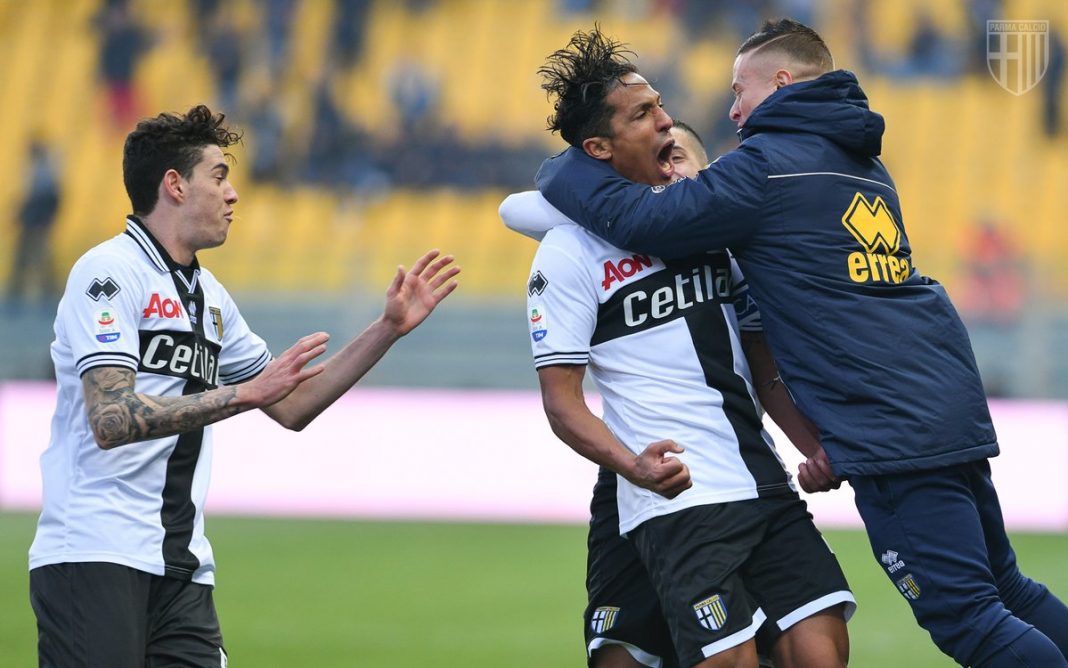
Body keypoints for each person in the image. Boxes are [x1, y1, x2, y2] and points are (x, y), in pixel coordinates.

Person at [534, 19, 1068, 668]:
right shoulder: (862, 162)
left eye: (739, 92)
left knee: (969, 619)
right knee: (1008, 588)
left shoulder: (764, 169)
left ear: (781, 82)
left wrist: (559, 170)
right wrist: (814, 441)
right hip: (941, 400)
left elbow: (644, 219)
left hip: (886, 423)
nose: (730, 111)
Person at [27, 104, 460, 667]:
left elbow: (293, 404)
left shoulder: (209, 297)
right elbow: (111, 419)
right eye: (219, 176)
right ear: (175, 185)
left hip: (181, 566)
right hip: (96, 554)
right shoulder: (108, 272)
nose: (233, 195)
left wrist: (388, 329)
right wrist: (243, 394)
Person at [506, 29, 855, 668]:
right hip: (680, 496)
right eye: (643, 114)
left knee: (820, 649)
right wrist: (634, 467)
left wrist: (813, 445)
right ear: (599, 148)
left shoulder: (707, 229)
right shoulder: (568, 253)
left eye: (660, 105)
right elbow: (562, 401)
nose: (665, 120)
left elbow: (765, 369)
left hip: (761, 478)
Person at [6, 140, 61, 305]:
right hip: (36, 223)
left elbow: (43, 200)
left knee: (34, 257)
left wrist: (27, 218)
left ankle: (34, 291)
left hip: (36, 224)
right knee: (33, 257)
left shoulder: (43, 172)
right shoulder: (44, 170)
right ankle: (38, 290)